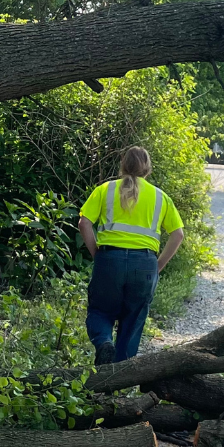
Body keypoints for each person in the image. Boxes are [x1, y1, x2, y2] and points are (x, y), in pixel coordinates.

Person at [78, 147, 185, 365]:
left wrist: (96, 253)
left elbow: (84, 223)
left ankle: (104, 343)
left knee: (100, 311)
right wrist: (158, 265)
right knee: (134, 319)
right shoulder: (160, 197)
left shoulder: (105, 190)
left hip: (109, 260)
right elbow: (178, 234)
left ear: (123, 164)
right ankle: (121, 378)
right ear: (148, 169)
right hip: (145, 264)